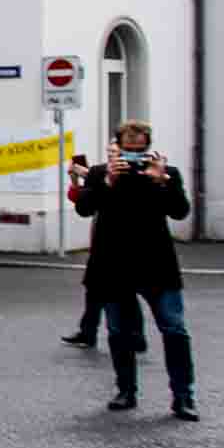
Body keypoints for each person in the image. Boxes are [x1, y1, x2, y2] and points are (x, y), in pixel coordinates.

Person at [77, 121, 199, 421]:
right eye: (127, 149)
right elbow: (84, 207)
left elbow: (180, 211)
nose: (133, 156)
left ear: (148, 147)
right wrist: (108, 182)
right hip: (114, 265)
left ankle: (183, 396)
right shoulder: (99, 173)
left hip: (156, 264)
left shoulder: (164, 173)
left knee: (174, 330)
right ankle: (126, 390)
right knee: (119, 332)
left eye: (139, 149)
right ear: (117, 147)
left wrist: (162, 182)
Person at [62, 152, 107, 348]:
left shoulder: (114, 178)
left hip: (119, 246)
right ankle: (88, 332)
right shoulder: (99, 177)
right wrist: (75, 178)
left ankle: (136, 336)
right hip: (100, 246)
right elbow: (81, 200)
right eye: (110, 153)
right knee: (94, 291)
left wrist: (87, 174)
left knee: (123, 294)